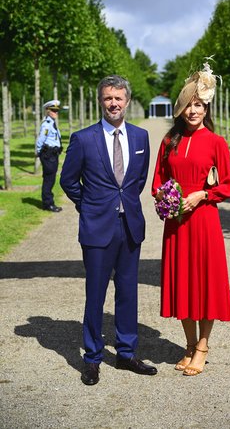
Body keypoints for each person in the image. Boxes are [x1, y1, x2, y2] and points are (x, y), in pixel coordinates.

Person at [60, 75, 157, 385]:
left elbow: (138, 181)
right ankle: (92, 359)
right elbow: (68, 180)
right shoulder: (83, 138)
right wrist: (88, 205)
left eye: (118, 98)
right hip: (97, 227)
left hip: (130, 226)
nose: (113, 103)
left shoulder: (141, 138)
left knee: (128, 292)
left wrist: (123, 203)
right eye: (107, 98)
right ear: (100, 101)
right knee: (96, 294)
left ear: (127, 101)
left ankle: (127, 354)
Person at [152, 62, 230, 377]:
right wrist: (162, 194)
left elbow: (226, 185)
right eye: (188, 105)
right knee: (182, 282)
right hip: (176, 222)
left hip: (204, 221)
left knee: (205, 283)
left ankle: (202, 346)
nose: (193, 111)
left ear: (205, 107)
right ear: (181, 109)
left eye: (198, 105)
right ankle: (187, 345)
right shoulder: (169, 141)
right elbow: (158, 179)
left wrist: (202, 194)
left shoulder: (216, 142)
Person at [36, 100, 63, 212]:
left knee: (50, 179)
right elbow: (40, 140)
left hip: (53, 154)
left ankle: (48, 202)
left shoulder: (52, 123)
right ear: (47, 111)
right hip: (48, 155)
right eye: (53, 110)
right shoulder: (47, 125)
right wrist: (39, 152)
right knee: (49, 179)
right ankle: (48, 204)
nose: (55, 113)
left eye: (56, 111)